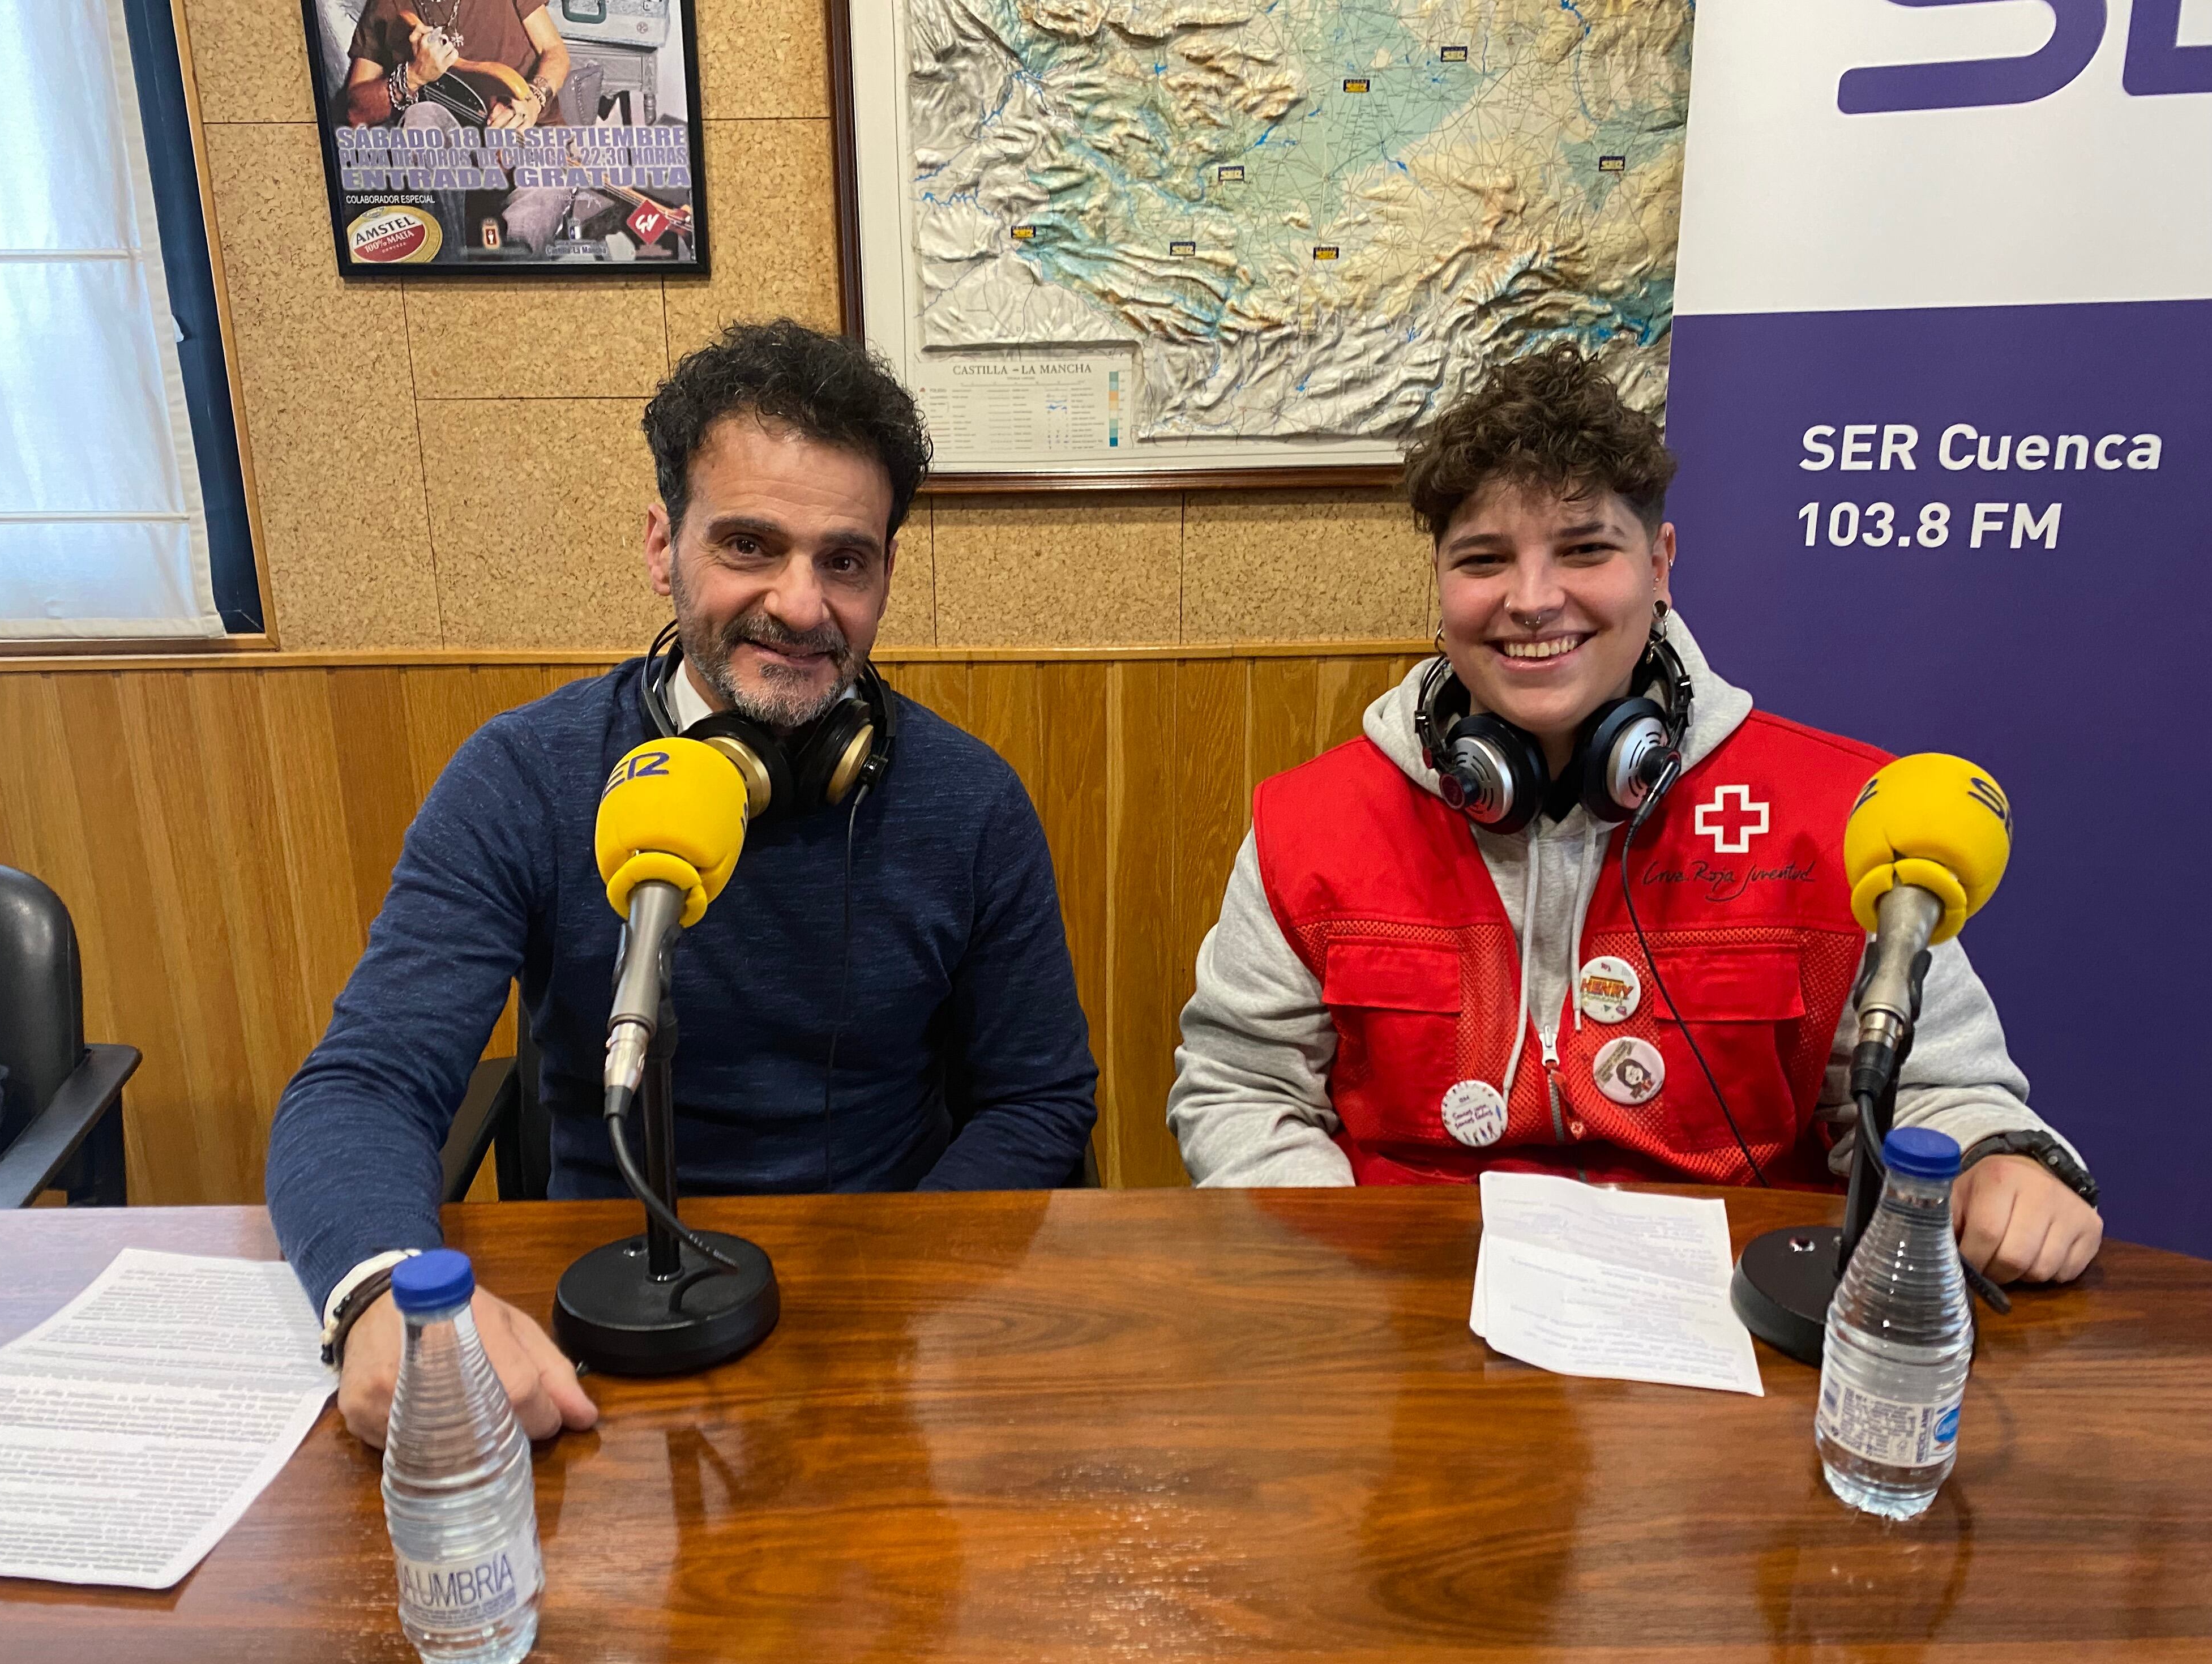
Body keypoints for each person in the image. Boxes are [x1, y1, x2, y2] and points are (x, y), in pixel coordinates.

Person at [269, 319, 1098, 1447]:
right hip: (596, 1340)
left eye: (844, 559)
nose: (803, 606)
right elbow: (363, 1084)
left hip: (880, 1332)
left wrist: (889, 1286)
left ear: (886, 574)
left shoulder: (971, 800)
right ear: (664, 546)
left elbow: (1038, 1099)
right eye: (751, 545)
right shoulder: (525, 776)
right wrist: (382, 1292)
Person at [1169, 346, 2102, 1289]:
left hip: (1729, 1327)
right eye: (1484, 559)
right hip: (1401, 1318)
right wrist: (1343, 1281)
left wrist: (1993, 1161)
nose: (1532, 600)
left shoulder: (1835, 814)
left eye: (1583, 549)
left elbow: (1943, 1088)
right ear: (1441, 587)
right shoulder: (1312, 821)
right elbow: (1239, 1088)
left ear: (1659, 564)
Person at [335, 0, 583, 256]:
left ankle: (508, 278)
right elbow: (355, 111)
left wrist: (533, 100)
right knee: (421, 117)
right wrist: (413, 77)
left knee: (543, 184)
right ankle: (443, 266)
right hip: (457, 152)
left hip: (532, 134)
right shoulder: (386, 6)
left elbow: (554, 50)